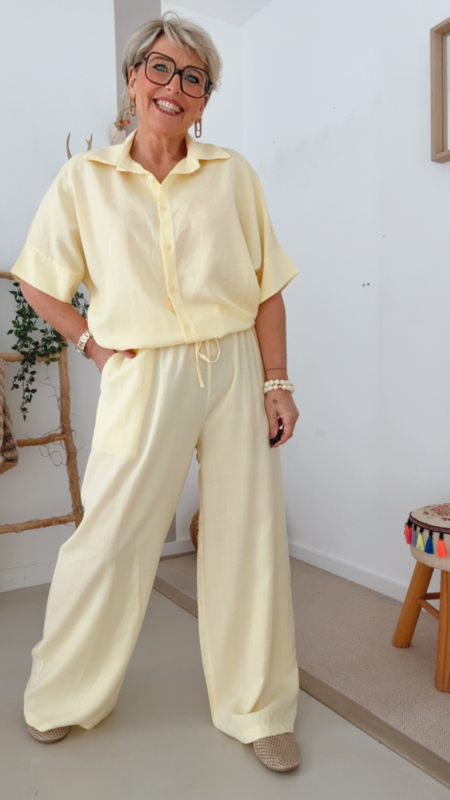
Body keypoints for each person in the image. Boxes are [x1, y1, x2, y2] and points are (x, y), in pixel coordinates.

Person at [11, 12, 301, 773]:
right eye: (162, 69)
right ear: (134, 79)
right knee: (108, 538)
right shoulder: (85, 180)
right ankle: (62, 695)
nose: (175, 86)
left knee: (248, 539)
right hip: (142, 370)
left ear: (205, 99)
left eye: (193, 77)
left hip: (235, 362)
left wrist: (277, 382)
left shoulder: (233, 174)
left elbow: (267, 289)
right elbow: (39, 281)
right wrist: (94, 346)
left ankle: (258, 709)